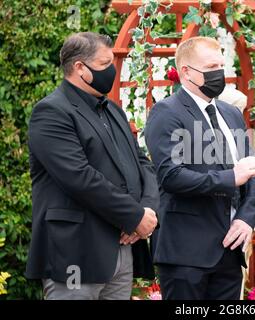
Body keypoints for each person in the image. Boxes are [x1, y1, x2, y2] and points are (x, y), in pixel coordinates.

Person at [25, 32, 159, 300]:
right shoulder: (51, 112)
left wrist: (147, 209)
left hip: (122, 247)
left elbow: (142, 163)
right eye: (104, 64)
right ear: (79, 68)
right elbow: (79, 178)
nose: (111, 70)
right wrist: (133, 217)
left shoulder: (112, 109)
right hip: (76, 252)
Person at [145, 36, 255, 300]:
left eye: (221, 65)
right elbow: (171, 176)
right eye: (211, 67)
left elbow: (253, 172)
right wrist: (230, 177)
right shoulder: (166, 113)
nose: (219, 74)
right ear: (186, 72)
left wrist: (246, 219)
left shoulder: (231, 113)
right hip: (186, 254)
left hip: (229, 252)